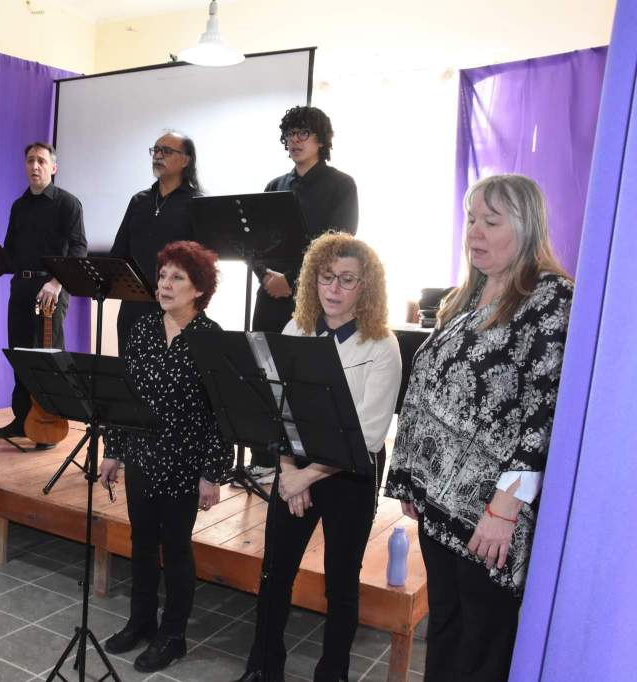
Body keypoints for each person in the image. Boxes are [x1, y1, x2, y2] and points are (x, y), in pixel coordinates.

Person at [385, 174, 573, 682]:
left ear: (526, 227)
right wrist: (409, 479)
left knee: (483, 644)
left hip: (488, 514)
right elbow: (424, 389)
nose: (475, 232)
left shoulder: (550, 297)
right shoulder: (464, 295)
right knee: (445, 626)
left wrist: (504, 509)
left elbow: (544, 410)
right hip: (436, 503)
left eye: (491, 221)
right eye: (471, 219)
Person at [236, 233, 402, 682]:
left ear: (365, 287)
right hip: (295, 465)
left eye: (347, 279)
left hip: (349, 476)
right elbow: (279, 408)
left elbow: (368, 436)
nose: (334, 288)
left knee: (341, 582)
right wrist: (289, 470)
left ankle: (333, 674)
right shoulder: (297, 330)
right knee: (274, 572)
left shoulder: (381, 345)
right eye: (326, 277)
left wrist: (305, 477)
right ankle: (263, 667)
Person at [98, 240, 232, 673]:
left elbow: (223, 414)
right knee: (140, 543)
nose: (165, 285)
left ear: (199, 289)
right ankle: (141, 622)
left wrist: (212, 473)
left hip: (184, 462)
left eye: (177, 277)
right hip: (141, 455)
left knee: (175, 549)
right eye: (162, 276)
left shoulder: (212, 338)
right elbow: (124, 395)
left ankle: (173, 635)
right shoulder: (142, 329)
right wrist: (113, 450)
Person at [248, 105, 360, 476]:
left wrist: (294, 282)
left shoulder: (341, 184)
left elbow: (340, 245)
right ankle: (264, 459)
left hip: (316, 298)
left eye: (303, 134)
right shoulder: (275, 185)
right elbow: (254, 241)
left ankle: (305, 461)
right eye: (290, 134)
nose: (294, 141)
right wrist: (266, 277)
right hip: (270, 294)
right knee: (264, 371)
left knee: (304, 377)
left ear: (321, 140)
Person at [0, 142, 87, 446]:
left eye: (41, 161)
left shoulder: (68, 203)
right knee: (20, 356)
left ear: (53, 167)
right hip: (21, 288)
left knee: (47, 359)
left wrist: (56, 282)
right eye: (30, 160)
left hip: (51, 290)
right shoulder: (20, 206)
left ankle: (49, 424)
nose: (35, 166)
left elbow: (79, 248)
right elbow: (10, 252)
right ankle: (22, 420)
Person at [110, 131, 201, 353]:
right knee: (129, 370)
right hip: (133, 306)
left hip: (174, 308)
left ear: (185, 160)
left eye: (166, 151)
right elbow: (119, 252)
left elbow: (202, 263)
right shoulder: (139, 201)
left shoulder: (197, 203)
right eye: (156, 150)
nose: (158, 156)